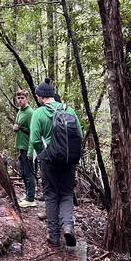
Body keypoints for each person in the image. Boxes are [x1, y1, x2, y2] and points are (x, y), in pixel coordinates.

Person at [30, 78, 83, 247]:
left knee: (51, 195)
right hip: (68, 160)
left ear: (40, 96)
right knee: (66, 193)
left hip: (49, 161)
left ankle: (53, 236)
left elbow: (34, 140)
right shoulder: (69, 110)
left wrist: (43, 154)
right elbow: (79, 136)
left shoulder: (39, 113)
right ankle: (68, 226)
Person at [13, 90, 36, 208]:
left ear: (27, 99)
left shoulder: (30, 112)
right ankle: (27, 195)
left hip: (27, 147)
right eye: (18, 98)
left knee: (28, 173)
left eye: (22, 98)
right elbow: (18, 125)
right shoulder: (20, 111)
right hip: (21, 146)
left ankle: (31, 198)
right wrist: (16, 128)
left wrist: (30, 151)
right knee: (23, 173)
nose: (20, 100)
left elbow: (34, 132)